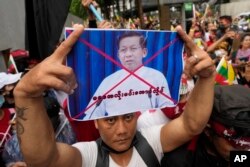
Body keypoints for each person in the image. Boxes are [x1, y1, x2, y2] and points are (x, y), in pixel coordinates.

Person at [13, 24, 215, 167]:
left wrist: (207, 78)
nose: (121, 130)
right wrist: (25, 95)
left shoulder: (151, 140)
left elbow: (191, 125)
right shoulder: (88, 155)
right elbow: (43, 160)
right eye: (109, 119)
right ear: (95, 122)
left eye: (128, 117)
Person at [84, 31, 173, 120]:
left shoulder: (157, 76)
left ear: (144, 52)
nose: (128, 54)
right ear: (118, 55)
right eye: (123, 50)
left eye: (133, 48)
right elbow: (92, 114)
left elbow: (167, 109)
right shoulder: (108, 81)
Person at [161, 84, 250, 167]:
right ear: (208, 130)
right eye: (235, 145)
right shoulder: (180, 161)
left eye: (247, 146)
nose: (242, 152)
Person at [2, 95, 77, 167]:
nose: (44, 126)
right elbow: (9, 160)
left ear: (57, 117)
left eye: (49, 121)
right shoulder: (15, 142)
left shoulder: (71, 133)